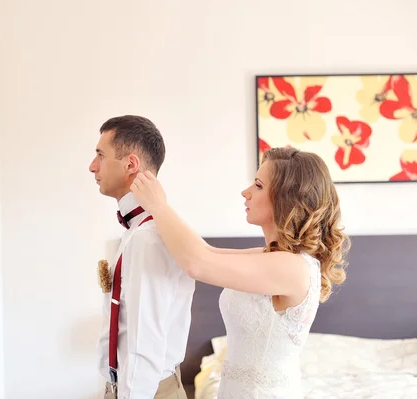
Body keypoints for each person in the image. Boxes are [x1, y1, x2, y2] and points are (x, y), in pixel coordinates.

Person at [130, 147, 350, 398]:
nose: (245, 192)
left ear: (287, 198)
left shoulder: (293, 267)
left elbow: (197, 264)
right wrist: (157, 207)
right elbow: (205, 251)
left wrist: (158, 206)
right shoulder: (271, 257)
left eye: (257, 185)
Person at [89, 115, 195, 399]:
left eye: (100, 155)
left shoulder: (148, 238)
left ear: (130, 164)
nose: (92, 166)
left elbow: (143, 343)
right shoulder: (137, 231)